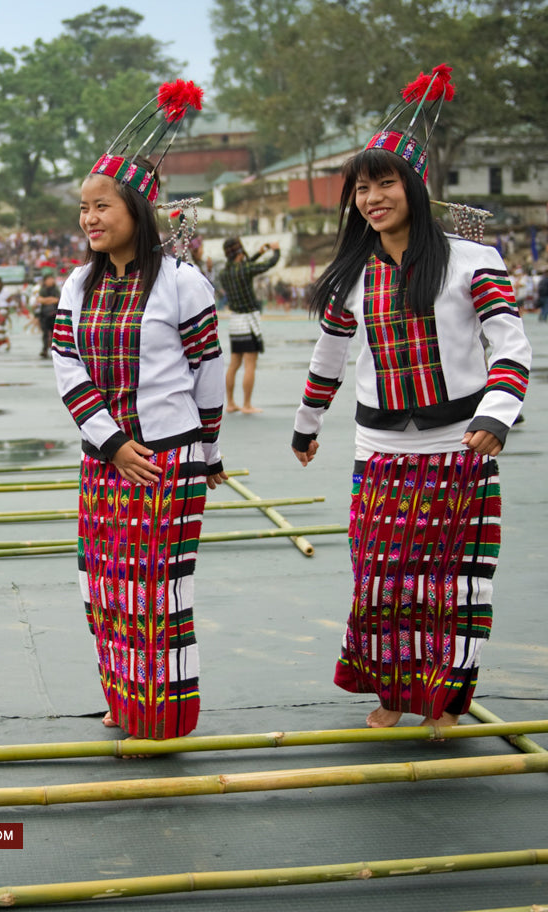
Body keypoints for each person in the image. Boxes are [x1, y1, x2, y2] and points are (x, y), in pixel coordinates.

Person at [291, 64, 531, 732]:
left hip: (461, 447)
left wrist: (496, 416)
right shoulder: (352, 277)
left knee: (454, 586)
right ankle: (394, 695)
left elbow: (510, 348)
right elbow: (329, 359)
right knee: (382, 582)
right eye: (363, 188)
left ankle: (446, 702)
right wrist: (306, 426)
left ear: (416, 188)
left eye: (386, 182)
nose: (373, 198)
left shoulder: (472, 261)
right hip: (382, 454)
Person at [52, 79, 224, 741]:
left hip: (168, 460)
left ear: (137, 208)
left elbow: (206, 373)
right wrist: (110, 441)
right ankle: (126, 698)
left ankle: (163, 714)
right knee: (102, 588)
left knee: (157, 591)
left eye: (101, 206)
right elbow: (66, 367)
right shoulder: (77, 282)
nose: (89, 219)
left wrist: (207, 454)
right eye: (84, 209)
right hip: (107, 460)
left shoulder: (183, 281)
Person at [218, 237, 280, 413]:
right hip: (249, 321)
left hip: (235, 321)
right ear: (240, 251)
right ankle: (246, 404)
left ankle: (230, 403)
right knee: (250, 363)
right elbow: (268, 265)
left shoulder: (225, 273)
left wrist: (259, 253)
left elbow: (244, 267)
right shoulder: (244, 269)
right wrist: (276, 250)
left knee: (234, 363)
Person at [36, 271, 61, 358]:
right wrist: (50, 299)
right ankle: (45, 349)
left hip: (54, 314)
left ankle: (55, 350)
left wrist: (46, 300)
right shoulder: (42, 289)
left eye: (52, 279)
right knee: (45, 334)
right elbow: (40, 300)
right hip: (44, 315)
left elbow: (57, 300)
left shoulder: (56, 290)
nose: (51, 281)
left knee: (56, 334)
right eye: (49, 279)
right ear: (45, 281)